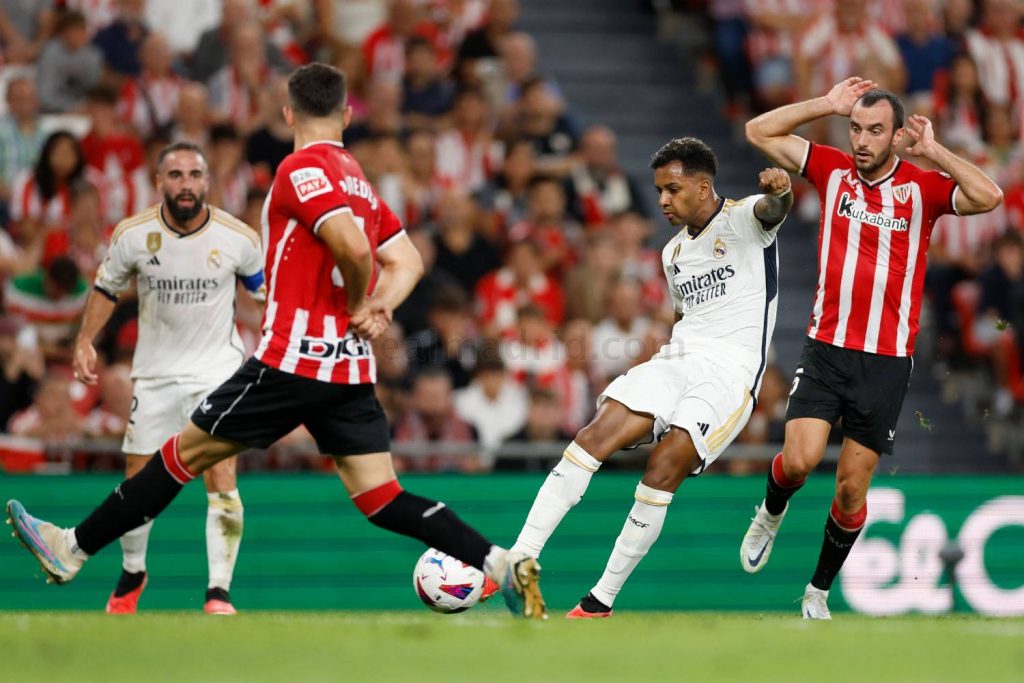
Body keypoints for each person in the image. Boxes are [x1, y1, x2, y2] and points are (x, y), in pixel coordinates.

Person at [6, 62, 546, 621]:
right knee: (382, 497)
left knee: (177, 456)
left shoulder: (298, 168)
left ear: (288, 113)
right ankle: (496, 561)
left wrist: (365, 299)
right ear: (347, 114)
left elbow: (354, 252)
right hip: (351, 371)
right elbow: (404, 259)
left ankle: (71, 549)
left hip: (291, 362)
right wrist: (382, 303)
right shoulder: (359, 180)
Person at [741, 77, 1003, 619]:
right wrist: (825, 105)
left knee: (852, 489)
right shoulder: (829, 168)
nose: (861, 139)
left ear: (894, 135)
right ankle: (769, 512)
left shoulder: (922, 188)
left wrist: (935, 152)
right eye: (855, 128)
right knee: (799, 460)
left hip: (886, 361)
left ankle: (818, 591)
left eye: (874, 130)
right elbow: (757, 130)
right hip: (826, 346)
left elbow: (988, 196)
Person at [508, 137, 793, 618]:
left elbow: (774, 208)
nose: (662, 199)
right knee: (592, 434)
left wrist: (782, 190)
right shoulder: (672, 254)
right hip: (677, 357)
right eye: (659, 189)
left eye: (673, 189)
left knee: (664, 467)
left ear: (704, 187)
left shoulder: (746, 220)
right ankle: (520, 559)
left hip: (729, 374)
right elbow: (686, 316)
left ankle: (601, 600)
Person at [65, 141, 265, 615]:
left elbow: (265, 297)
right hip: (154, 375)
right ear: (159, 183)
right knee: (138, 482)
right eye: (175, 175)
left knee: (221, 474)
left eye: (195, 175)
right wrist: (84, 340)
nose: (186, 184)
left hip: (217, 375)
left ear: (207, 182)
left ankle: (218, 591)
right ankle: (134, 570)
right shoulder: (133, 235)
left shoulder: (238, 238)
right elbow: (105, 288)